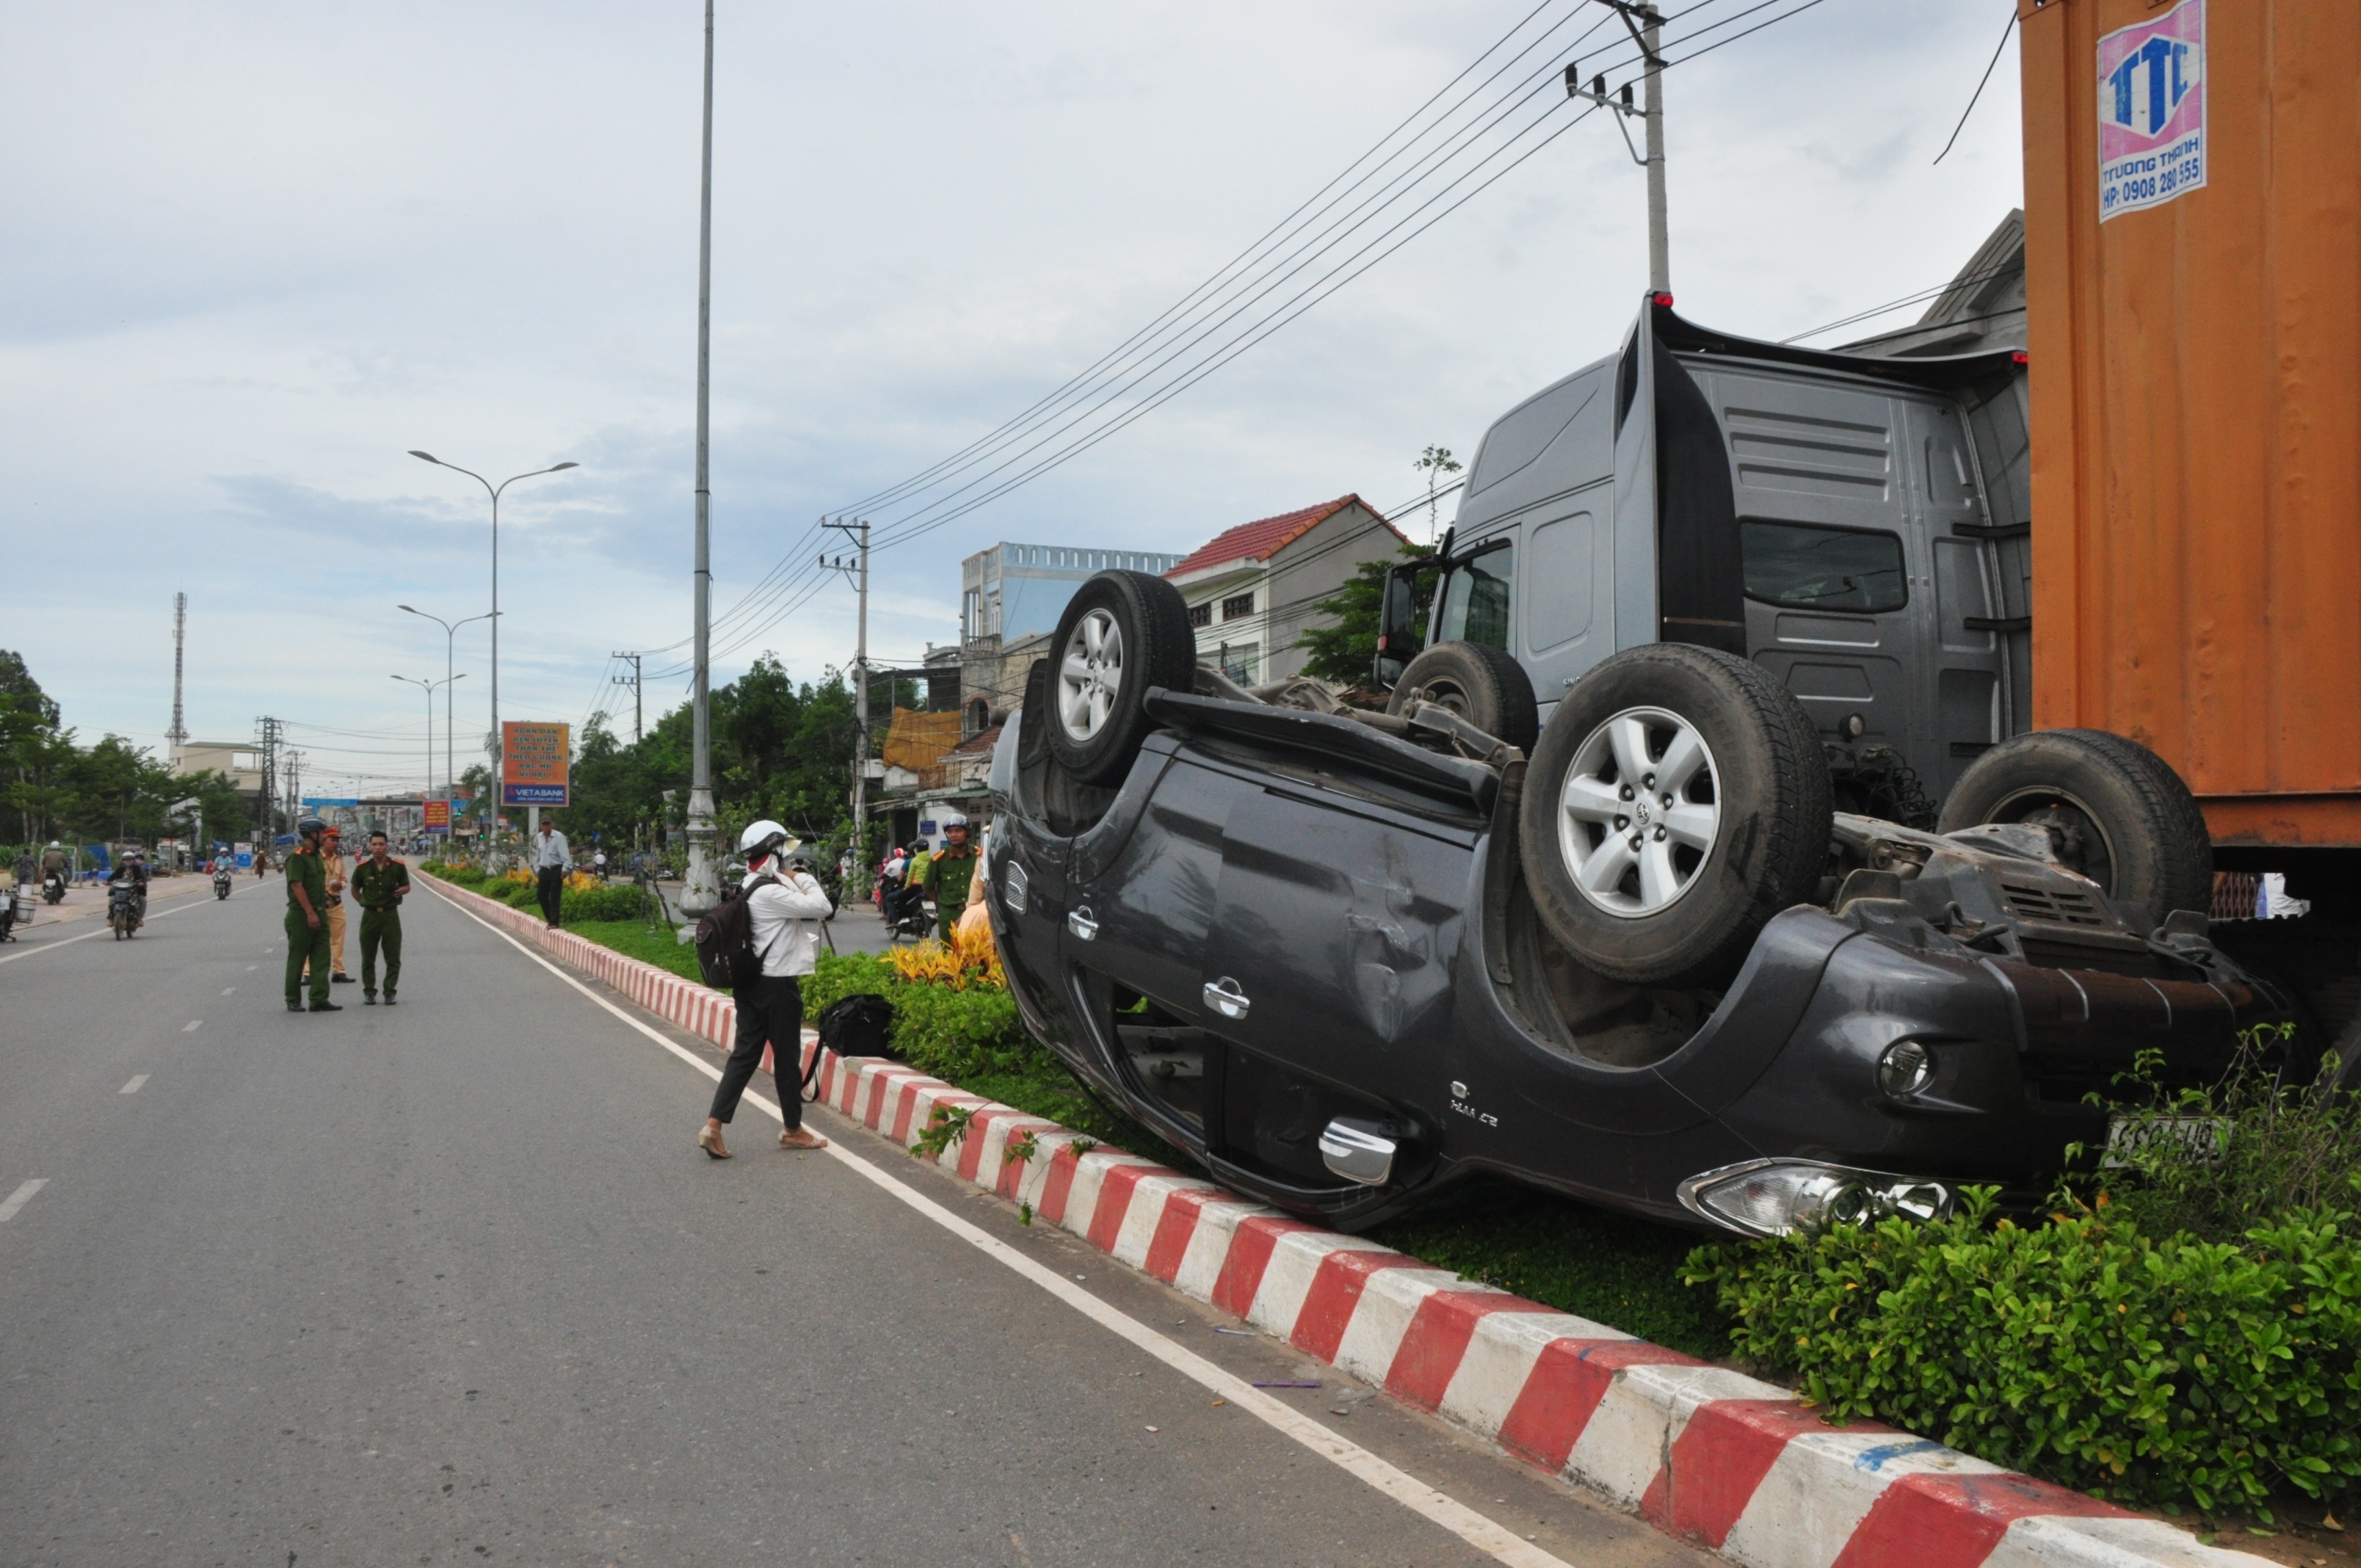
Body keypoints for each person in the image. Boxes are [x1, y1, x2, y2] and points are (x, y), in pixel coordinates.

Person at [700, 821, 834, 1158]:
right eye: (783, 854)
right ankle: (793, 1130)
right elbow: (823, 908)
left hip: (749, 983)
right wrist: (799, 876)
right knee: (787, 1060)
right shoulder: (771, 891)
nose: (787, 860)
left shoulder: (747, 884)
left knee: (745, 1055)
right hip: (776, 984)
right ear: (773, 852)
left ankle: (713, 1126)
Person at [283, 818, 338, 1012]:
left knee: (322, 958)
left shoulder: (316, 856)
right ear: (313, 834)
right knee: (298, 959)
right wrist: (309, 913)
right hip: (301, 916)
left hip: (321, 913)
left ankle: (319, 998)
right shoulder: (298, 856)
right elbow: (297, 886)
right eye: (323, 832)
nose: (326, 836)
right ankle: (293, 998)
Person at [350, 830, 411, 1006]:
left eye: (381, 844)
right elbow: (354, 890)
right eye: (374, 844)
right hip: (369, 916)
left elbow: (407, 886)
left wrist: (401, 891)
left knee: (393, 957)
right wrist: (364, 902)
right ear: (369, 846)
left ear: (387, 846)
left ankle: (390, 991)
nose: (378, 848)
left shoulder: (398, 866)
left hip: (390, 915)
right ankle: (369, 992)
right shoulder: (362, 868)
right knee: (368, 958)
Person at [915, 810, 979, 943]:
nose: (954, 835)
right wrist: (941, 905)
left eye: (958, 830)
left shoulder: (979, 856)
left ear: (967, 832)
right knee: (949, 954)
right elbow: (928, 887)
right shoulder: (938, 859)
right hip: (949, 913)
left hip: (975, 912)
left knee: (977, 954)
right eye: (950, 832)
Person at [319, 826, 355, 985]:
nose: (335, 843)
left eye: (337, 840)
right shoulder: (315, 858)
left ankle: (339, 971)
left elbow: (345, 879)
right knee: (315, 941)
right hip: (319, 905)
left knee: (338, 940)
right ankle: (307, 972)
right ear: (323, 840)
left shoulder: (339, 860)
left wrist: (341, 885)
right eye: (332, 840)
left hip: (336, 904)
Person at [531, 819, 570, 928]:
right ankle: (549, 917)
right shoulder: (539, 837)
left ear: (552, 825)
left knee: (554, 896)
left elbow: (565, 853)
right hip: (544, 869)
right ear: (541, 826)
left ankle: (554, 922)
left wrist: (565, 868)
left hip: (556, 869)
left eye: (548, 825)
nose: (546, 827)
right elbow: (537, 854)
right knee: (541, 895)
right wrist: (538, 868)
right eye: (544, 825)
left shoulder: (559, 836)